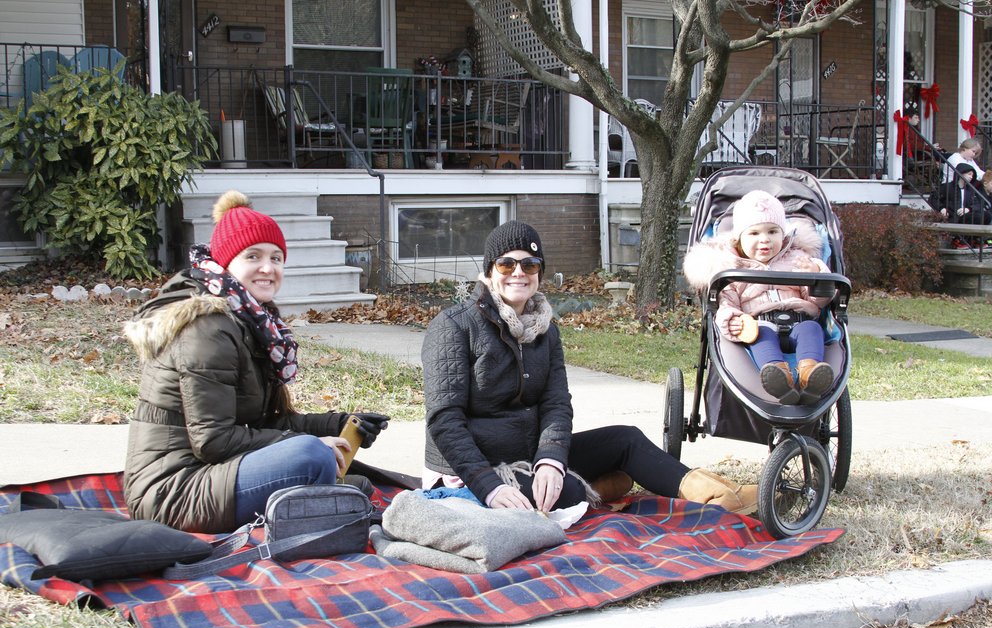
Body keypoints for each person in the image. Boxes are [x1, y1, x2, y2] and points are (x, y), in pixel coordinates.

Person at [421, 221, 757, 517]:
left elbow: (555, 403)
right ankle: (592, 487)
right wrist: (489, 485)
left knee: (626, 440)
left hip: (529, 452)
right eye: (507, 264)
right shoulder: (454, 326)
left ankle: (720, 496)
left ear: (540, 271)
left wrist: (551, 460)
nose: (519, 273)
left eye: (530, 264)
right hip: (473, 471)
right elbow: (444, 420)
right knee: (567, 493)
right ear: (490, 271)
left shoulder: (546, 330)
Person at [123, 190, 389, 533]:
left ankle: (328, 500)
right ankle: (325, 502)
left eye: (277, 258)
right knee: (311, 458)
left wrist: (337, 424)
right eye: (253, 256)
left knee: (349, 480)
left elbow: (265, 423)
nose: (268, 268)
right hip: (170, 493)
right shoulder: (208, 328)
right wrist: (309, 445)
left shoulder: (250, 321)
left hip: (208, 477)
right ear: (226, 262)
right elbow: (213, 441)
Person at [683, 190, 834, 406]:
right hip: (759, 324)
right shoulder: (732, 269)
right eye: (754, 234)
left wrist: (817, 274)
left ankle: (810, 375)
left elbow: (819, 302)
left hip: (801, 319)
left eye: (773, 231)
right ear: (738, 239)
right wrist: (732, 320)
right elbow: (725, 304)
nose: (764, 239)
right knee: (760, 336)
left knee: (812, 330)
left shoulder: (799, 259)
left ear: (783, 235)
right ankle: (778, 378)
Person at [931, 162, 983, 249]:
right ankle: (959, 240)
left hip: (965, 215)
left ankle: (971, 239)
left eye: (972, 175)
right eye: (969, 174)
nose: (971, 177)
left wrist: (968, 209)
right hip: (952, 215)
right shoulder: (947, 187)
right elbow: (934, 198)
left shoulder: (970, 190)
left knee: (984, 216)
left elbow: (978, 204)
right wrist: (942, 208)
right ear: (961, 173)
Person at [976, 170, 992, 247]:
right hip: (985, 216)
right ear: (985, 184)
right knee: (991, 217)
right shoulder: (979, 194)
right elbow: (983, 208)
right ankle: (988, 239)